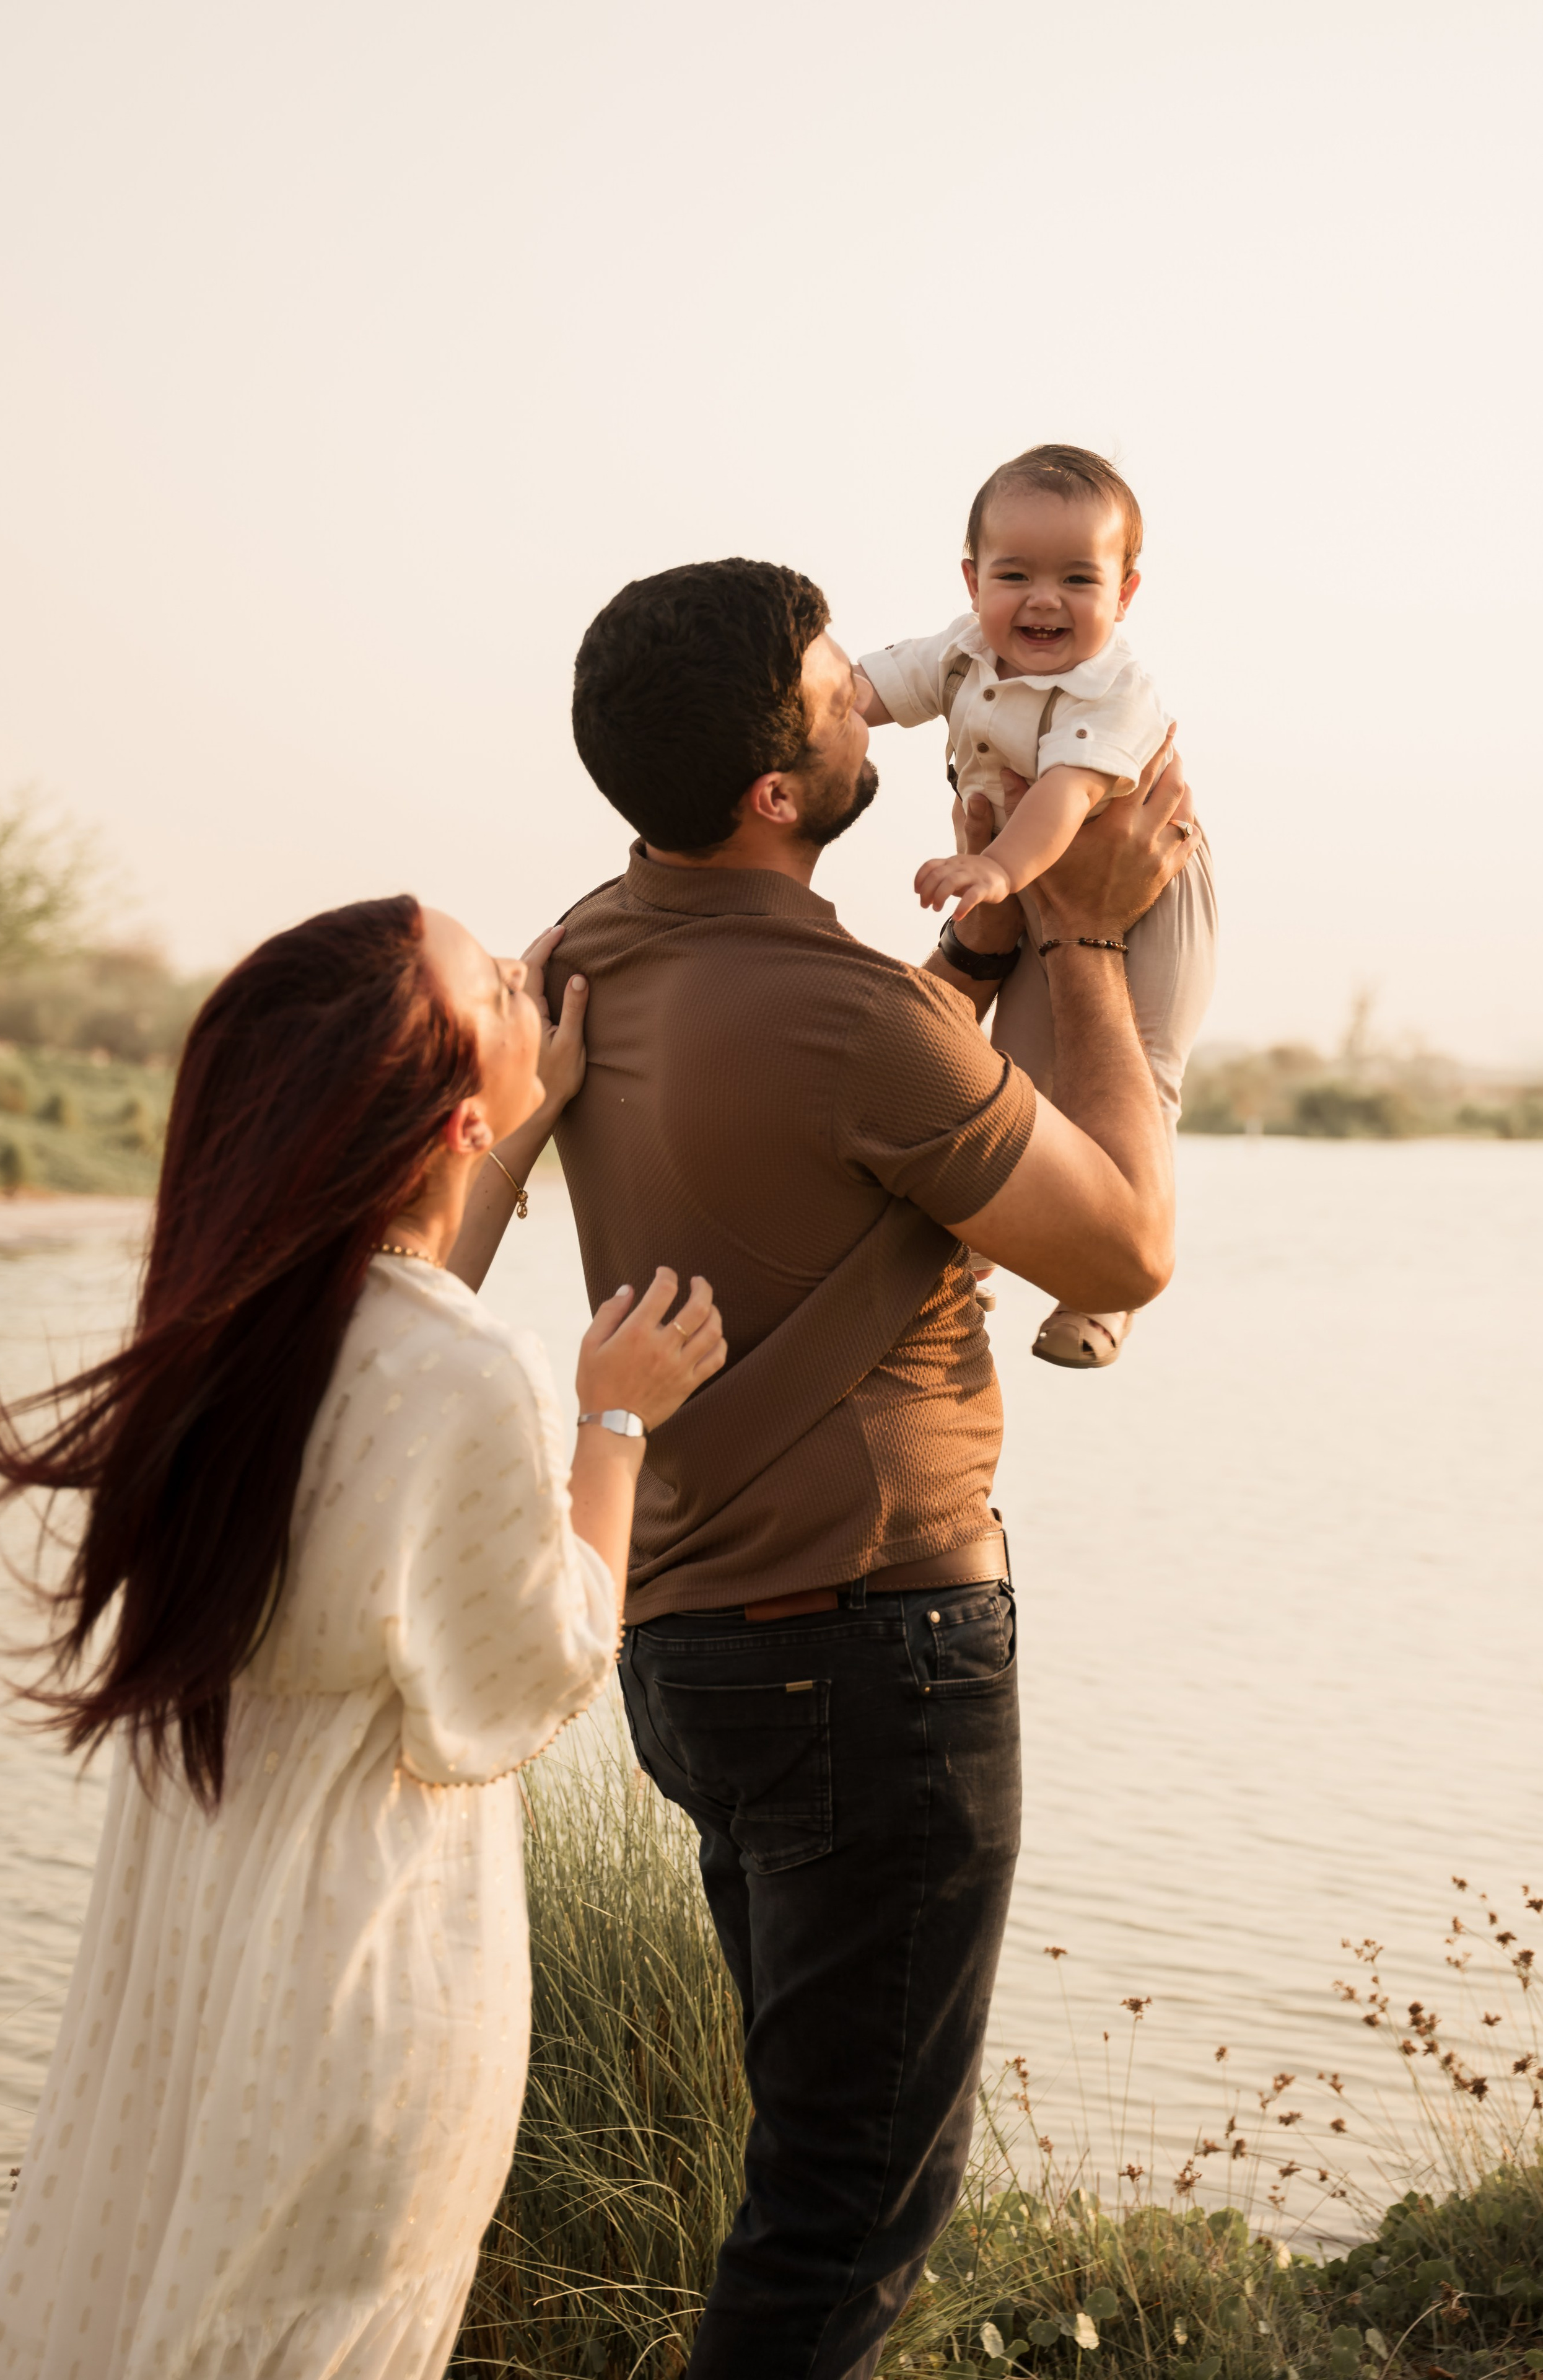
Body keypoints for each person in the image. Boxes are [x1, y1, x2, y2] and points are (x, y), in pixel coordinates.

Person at [522, 556, 1199, 2380]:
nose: (875, 695)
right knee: (848, 2207)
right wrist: (1073, 940)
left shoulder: (588, 944)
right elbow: (1125, 1248)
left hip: (693, 1646)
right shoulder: (851, 1016)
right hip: (874, 1649)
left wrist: (973, 951)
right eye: (838, 684)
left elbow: (837, 1103)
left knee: (803, 2163)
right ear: (774, 790)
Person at [0, 895, 723, 2380]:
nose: (528, 980)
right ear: (447, 1123)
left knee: (131, 2301)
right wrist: (617, 1419)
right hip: (364, 1968)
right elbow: (541, 1664)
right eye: (504, 989)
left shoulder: (218, 1335)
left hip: (187, 1941)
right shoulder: (456, 1374)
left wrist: (518, 1106)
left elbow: (397, 1326)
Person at [855, 444, 1220, 1368]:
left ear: (1125, 595)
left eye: (1077, 578)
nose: (1044, 599)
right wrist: (813, 715)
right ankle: (979, 1239)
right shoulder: (962, 649)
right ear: (973, 580)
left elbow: (1061, 801)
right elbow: (873, 687)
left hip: (1146, 885)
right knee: (1013, 1071)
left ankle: (1106, 1292)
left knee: (1142, 1062)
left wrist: (998, 873)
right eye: (1015, 574)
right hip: (1020, 883)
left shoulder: (1114, 691)